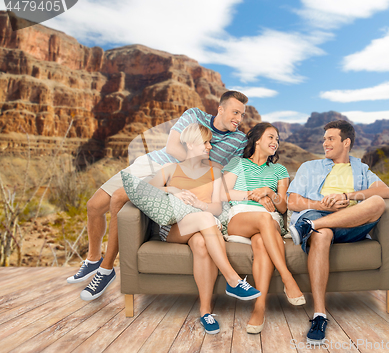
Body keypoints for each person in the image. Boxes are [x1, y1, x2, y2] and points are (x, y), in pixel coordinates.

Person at [66, 91, 249, 292]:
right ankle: (93, 259)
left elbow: (230, 172)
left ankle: (106, 269)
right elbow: (171, 148)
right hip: (155, 163)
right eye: (235, 112)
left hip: (185, 177)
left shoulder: (239, 140)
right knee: (93, 206)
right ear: (220, 109)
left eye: (242, 115)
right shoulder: (195, 115)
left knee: (119, 197)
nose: (239, 119)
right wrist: (201, 161)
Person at [148, 124, 261, 334]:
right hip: (175, 228)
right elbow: (145, 191)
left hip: (202, 225)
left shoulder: (215, 172)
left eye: (210, 142)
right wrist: (172, 189)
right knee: (205, 218)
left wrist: (200, 205)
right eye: (205, 142)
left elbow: (216, 208)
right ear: (191, 144)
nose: (209, 146)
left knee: (201, 244)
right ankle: (233, 279)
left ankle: (205, 312)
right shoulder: (170, 170)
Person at [287, 120, 389, 345]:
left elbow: (386, 191)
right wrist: (323, 206)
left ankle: (309, 228)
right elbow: (292, 201)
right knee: (323, 233)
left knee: (376, 202)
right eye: (324, 138)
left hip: (350, 224)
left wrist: (348, 195)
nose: (324, 143)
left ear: (346, 142)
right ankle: (319, 316)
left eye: (330, 139)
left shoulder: (361, 168)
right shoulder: (309, 167)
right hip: (318, 215)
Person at [223, 122, 305, 334]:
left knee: (261, 240)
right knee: (263, 218)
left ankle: (259, 308)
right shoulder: (237, 163)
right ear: (257, 140)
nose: (275, 142)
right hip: (240, 217)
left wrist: (268, 191)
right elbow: (223, 193)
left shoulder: (279, 170)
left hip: (269, 220)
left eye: (277, 139)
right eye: (271, 137)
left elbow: (283, 206)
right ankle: (287, 277)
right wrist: (252, 194)